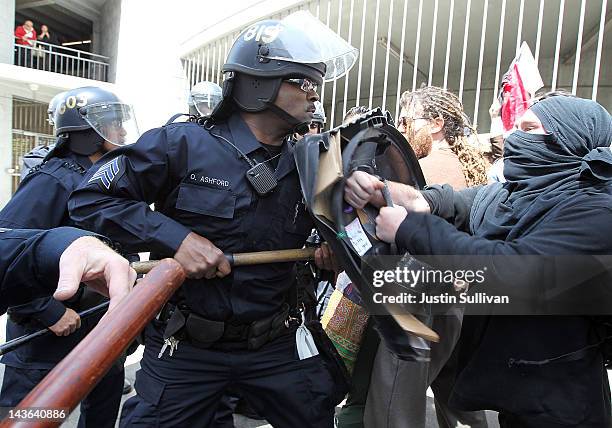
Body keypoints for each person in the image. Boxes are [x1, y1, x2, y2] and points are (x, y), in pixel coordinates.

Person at [69, 12, 356, 427]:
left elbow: (342, 231)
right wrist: (177, 238)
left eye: (319, 84)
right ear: (259, 82)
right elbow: (91, 199)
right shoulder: (181, 143)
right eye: (305, 82)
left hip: (277, 343)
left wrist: (331, 249)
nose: (316, 95)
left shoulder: (317, 160)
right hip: (186, 348)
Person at [349, 94, 612, 427]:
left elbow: (512, 272)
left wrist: (408, 229)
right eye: (514, 127)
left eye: (529, 129)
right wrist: (378, 188)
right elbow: (434, 202)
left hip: (562, 400)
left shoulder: (595, 209)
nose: (514, 137)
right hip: (514, 385)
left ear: (570, 136)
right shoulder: (513, 194)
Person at [0, 86, 139, 427]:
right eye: (112, 123)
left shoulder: (107, 181)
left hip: (100, 327)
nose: (121, 131)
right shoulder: (53, 179)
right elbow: (9, 252)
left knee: (102, 412)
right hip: (48, 335)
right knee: (30, 416)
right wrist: (48, 311)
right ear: (86, 133)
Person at [0, 227, 134, 315]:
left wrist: (74, 246)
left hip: (92, 309)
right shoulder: (56, 183)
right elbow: (18, 225)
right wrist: (50, 312)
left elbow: (21, 254)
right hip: (44, 336)